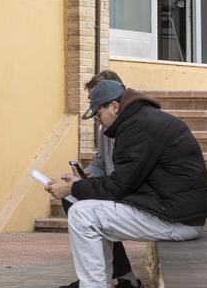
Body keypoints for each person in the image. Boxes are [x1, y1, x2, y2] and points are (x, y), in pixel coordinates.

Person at [46, 80, 207, 288]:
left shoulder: (138, 127)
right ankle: (102, 282)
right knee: (85, 208)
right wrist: (80, 186)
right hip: (176, 212)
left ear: (114, 107)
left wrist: (73, 187)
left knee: (82, 214)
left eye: (99, 115)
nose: (99, 123)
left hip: (178, 220)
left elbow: (119, 187)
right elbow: (126, 181)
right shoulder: (142, 119)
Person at [58, 71, 141, 288]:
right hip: (114, 187)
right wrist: (86, 174)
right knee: (73, 202)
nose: (95, 108)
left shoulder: (134, 127)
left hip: (131, 193)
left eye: (98, 102)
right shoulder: (107, 128)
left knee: (86, 210)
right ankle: (105, 277)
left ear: (114, 101)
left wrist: (81, 186)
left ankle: (114, 278)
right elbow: (101, 161)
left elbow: (127, 177)